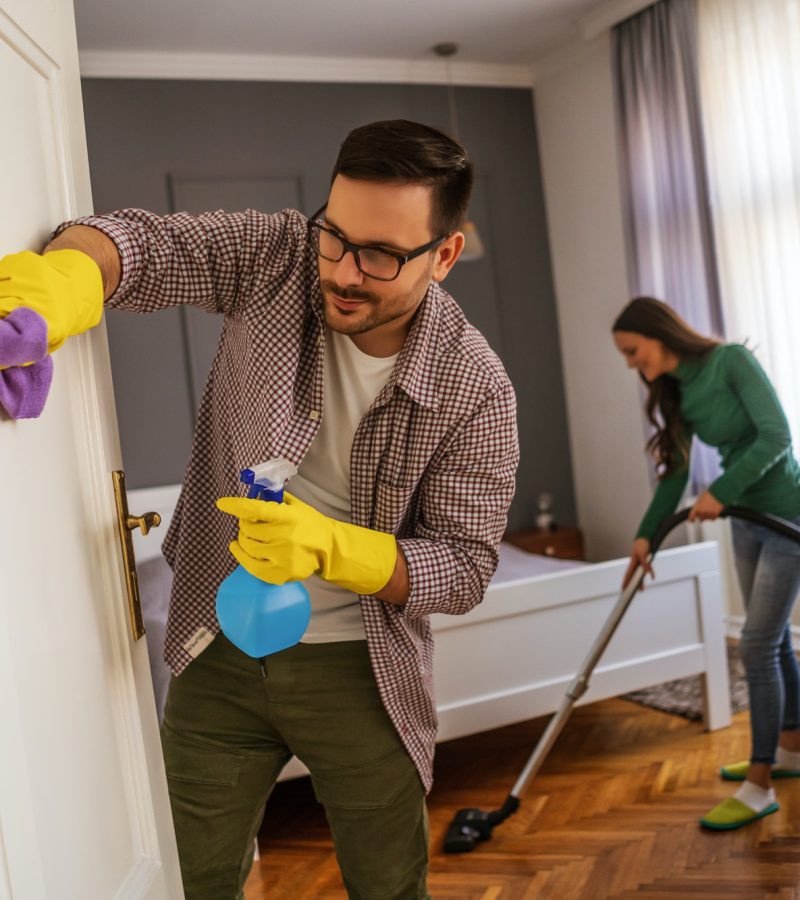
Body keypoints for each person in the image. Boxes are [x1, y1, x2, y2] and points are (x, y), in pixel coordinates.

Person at [0, 120, 519, 898]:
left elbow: (466, 567)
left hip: (364, 672)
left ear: (444, 255)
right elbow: (136, 246)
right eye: (336, 236)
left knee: (389, 886)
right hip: (218, 648)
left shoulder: (475, 386)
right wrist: (64, 287)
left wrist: (333, 549)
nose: (343, 270)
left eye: (381, 254)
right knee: (195, 878)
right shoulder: (278, 256)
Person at [612, 296, 800, 832]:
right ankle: (790, 751)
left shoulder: (730, 362)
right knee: (777, 641)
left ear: (657, 333)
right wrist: (645, 536)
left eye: (632, 350)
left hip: (789, 516)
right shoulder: (676, 392)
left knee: (758, 646)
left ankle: (760, 785)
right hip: (746, 520)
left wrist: (721, 489)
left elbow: (777, 436)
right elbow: (673, 476)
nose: (630, 363)